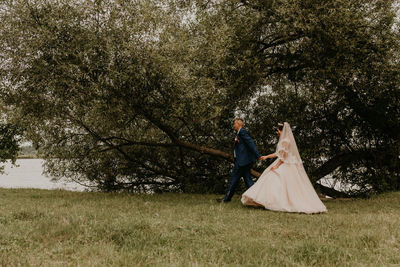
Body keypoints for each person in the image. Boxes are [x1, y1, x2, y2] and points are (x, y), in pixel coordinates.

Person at [241, 122, 327, 214]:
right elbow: (278, 153)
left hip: (286, 163)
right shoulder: (286, 140)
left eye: (277, 130)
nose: (277, 132)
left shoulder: (285, 141)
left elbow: (284, 156)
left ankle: (275, 202)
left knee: (275, 178)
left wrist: (277, 165)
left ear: (281, 130)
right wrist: (266, 156)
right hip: (286, 162)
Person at [217, 118, 265, 203]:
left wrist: (258, 155)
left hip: (242, 162)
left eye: (234, 123)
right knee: (248, 180)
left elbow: (251, 143)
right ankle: (257, 199)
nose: (233, 125)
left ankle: (226, 199)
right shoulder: (239, 133)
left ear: (239, 124)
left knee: (234, 180)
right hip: (244, 161)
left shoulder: (242, 132)